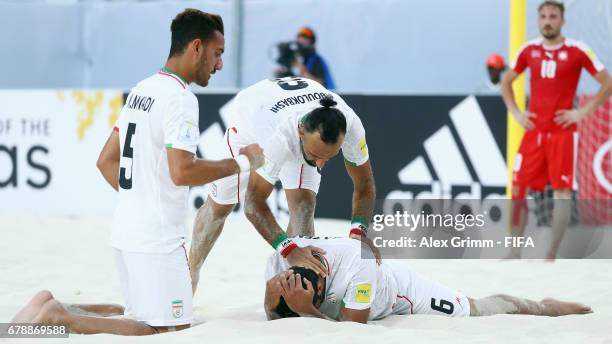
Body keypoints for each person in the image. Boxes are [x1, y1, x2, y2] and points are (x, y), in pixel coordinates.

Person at [12, 9, 264, 335]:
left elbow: (105, 160)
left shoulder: (142, 89)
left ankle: (47, 305)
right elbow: (182, 172)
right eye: (218, 54)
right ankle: (61, 316)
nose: (219, 65)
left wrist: (141, 196)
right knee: (165, 330)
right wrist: (244, 163)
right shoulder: (181, 99)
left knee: (136, 314)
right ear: (196, 47)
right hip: (157, 239)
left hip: (126, 230)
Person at [189, 76, 376, 294]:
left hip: (291, 113)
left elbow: (364, 183)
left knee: (304, 207)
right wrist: (288, 249)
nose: (322, 164)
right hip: (251, 119)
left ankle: (297, 294)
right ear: (301, 132)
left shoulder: (351, 126)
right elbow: (253, 204)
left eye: (330, 157)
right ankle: (191, 270)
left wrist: (359, 233)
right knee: (221, 206)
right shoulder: (278, 138)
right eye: (317, 155)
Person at [500, 0, 612, 259]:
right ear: (538, 20)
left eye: (553, 16)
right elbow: (506, 82)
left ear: (562, 20)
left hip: (563, 133)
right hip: (534, 132)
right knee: (518, 187)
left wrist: (582, 112)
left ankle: (551, 253)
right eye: (543, 16)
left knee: (562, 192)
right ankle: (514, 250)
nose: (548, 21)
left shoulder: (578, 50)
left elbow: (607, 83)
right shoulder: (529, 50)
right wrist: (516, 112)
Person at [264, 236, 593, 322]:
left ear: (322, 280)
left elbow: (353, 330)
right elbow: (273, 311)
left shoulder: (356, 262)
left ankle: (542, 307)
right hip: (344, 300)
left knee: (476, 310)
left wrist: (308, 312)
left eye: (316, 293)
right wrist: (276, 296)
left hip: (399, 294)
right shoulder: (281, 259)